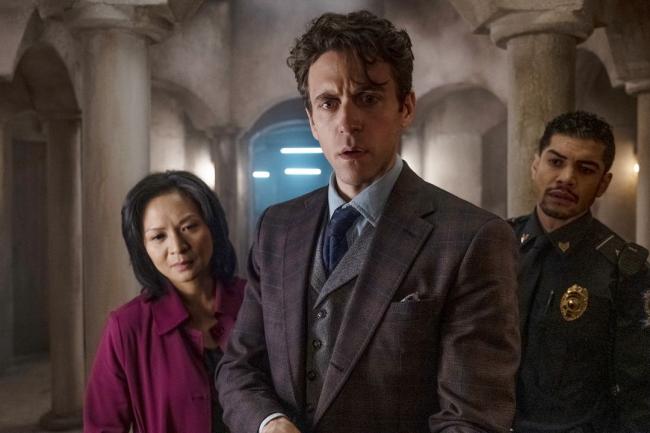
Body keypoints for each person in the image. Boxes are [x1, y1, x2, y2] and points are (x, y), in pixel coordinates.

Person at [217, 10, 520, 433]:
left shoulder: (472, 238)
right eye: (329, 103)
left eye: (368, 98)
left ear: (405, 107)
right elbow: (239, 368)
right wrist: (269, 424)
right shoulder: (277, 228)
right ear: (312, 119)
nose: (347, 122)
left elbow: (471, 420)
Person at [510, 111, 650, 433]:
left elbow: (639, 393)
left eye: (585, 169)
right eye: (555, 162)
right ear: (535, 165)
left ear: (603, 184)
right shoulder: (495, 245)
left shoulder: (623, 269)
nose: (566, 178)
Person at [83, 170, 245, 433]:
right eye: (159, 236)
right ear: (143, 248)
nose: (178, 247)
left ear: (213, 228)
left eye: (189, 227)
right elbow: (102, 427)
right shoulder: (127, 327)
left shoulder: (257, 303)